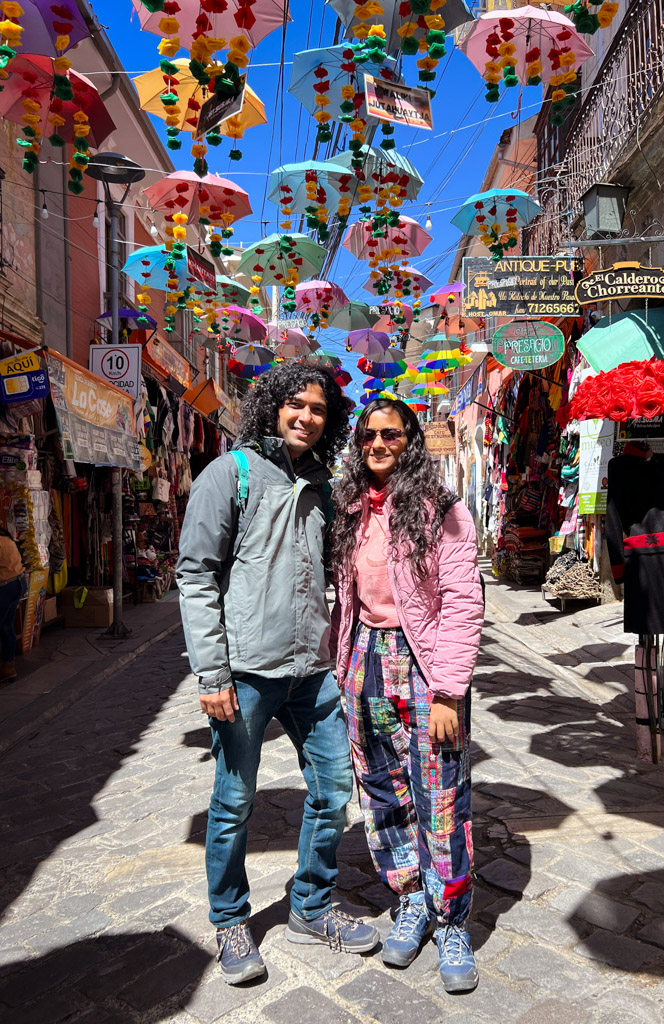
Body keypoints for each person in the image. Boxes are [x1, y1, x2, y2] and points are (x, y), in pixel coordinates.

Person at [176, 363, 378, 986]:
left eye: (318, 409)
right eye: (296, 404)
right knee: (234, 800)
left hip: (312, 671)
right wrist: (211, 675)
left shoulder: (323, 484)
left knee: (334, 789)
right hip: (246, 673)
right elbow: (195, 575)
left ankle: (311, 904)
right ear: (272, 406)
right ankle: (230, 918)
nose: (306, 417)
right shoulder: (229, 473)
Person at [330, 398, 484, 993]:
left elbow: (463, 602)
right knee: (383, 789)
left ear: (411, 439)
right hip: (366, 660)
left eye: (389, 434)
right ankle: (411, 896)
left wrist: (448, 690)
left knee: (440, 793)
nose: (376, 444)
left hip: (425, 668)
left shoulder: (442, 510)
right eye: (367, 435)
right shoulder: (351, 508)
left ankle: (450, 919)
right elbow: (346, 597)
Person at [0, 526, 25, 681]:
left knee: (4, 626)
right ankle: (8, 666)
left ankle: (8, 666)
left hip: (6, 587)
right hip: (18, 583)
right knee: (6, 626)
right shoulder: (6, 537)